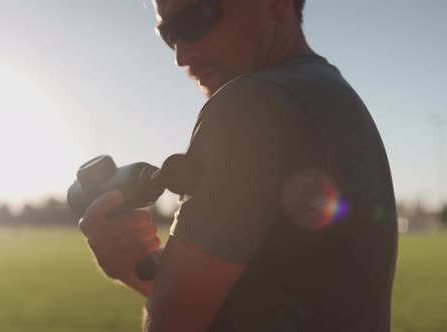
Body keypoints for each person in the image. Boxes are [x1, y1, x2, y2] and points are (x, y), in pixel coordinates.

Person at [78, 0, 398, 331]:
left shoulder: (250, 102)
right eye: (169, 36)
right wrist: (133, 267)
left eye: (194, 20)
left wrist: (159, 297)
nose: (181, 56)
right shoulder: (334, 98)